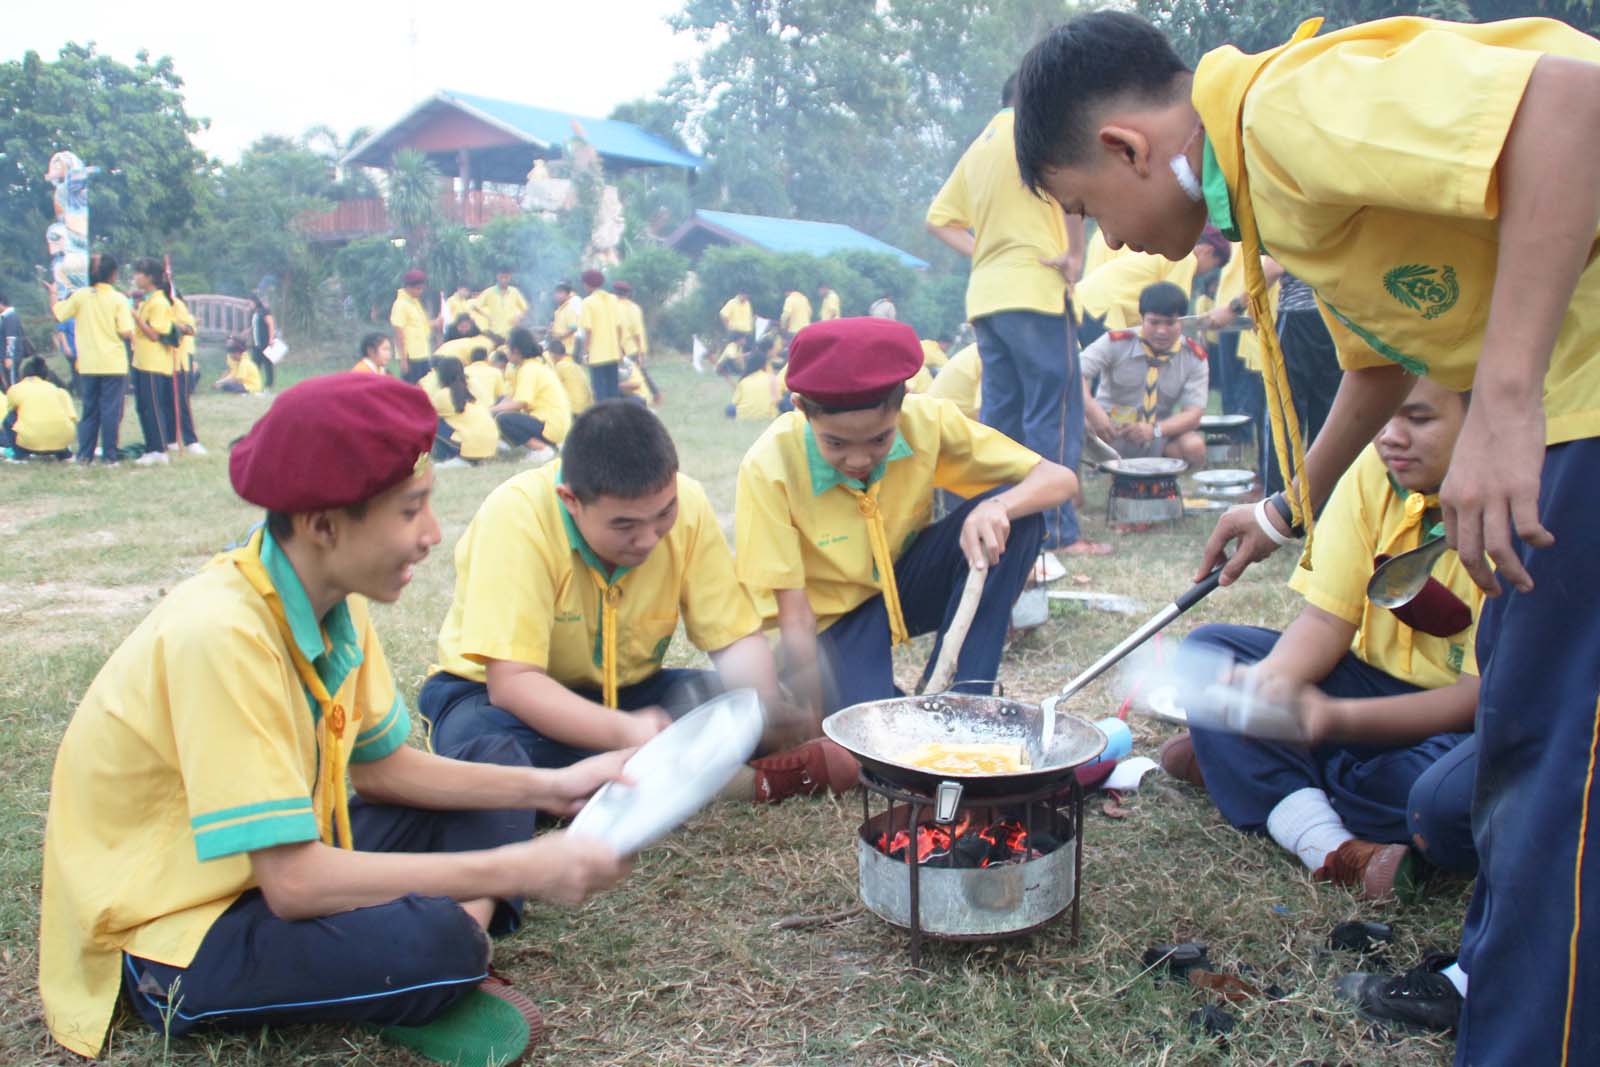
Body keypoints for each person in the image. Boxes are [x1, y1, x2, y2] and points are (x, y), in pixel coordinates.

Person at [1012, 12, 1600, 1063]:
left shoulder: (1280, 114)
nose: (1107, 244)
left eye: (1087, 210)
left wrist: (1505, 399)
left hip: (1578, 396)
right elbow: (1379, 361)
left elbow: (1571, 104)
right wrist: (1285, 508)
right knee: (1525, 735)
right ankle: (1496, 976)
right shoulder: (1266, 190)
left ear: (1125, 148)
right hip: (1566, 404)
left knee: (1556, 763)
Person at [37, 373, 632, 1064]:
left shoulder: (332, 598)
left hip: (274, 863)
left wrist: (555, 787)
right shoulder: (222, 633)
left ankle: (441, 958)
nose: (432, 534)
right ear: (323, 525)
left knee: (499, 765)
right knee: (435, 939)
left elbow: (382, 769)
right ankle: (440, 956)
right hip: (171, 930)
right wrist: (517, 865)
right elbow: (294, 885)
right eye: (410, 511)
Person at [1162, 378, 1479, 902]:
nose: (1390, 436)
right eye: (1382, 416)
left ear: (1483, 418)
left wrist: (1332, 719)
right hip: (1370, 688)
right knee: (1210, 651)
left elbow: (1476, 698)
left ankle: (1255, 770)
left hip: (1464, 723)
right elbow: (1327, 620)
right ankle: (1333, 845)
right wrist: (1269, 683)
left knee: (1435, 802)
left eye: (1419, 418)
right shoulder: (1372, 470)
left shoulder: (1509, 503)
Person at [418, 403, 786, 773]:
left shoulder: (690, 504)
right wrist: (624, 731)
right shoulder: (517, 516)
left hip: (628, 695)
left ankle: (629, 768)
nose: (648, 538)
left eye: (664, 514)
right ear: (571, 501)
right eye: (625, 525)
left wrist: (767, 712)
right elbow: (512, 684)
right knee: (488, 751)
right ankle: (663, 768)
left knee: (741, 704)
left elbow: (734, 640)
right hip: (498, 697)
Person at [734, 318, 1078, 714]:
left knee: (1018, 519)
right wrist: (812, 720)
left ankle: (964, 700)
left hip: (902, 583)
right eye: (836, 443)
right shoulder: (770, 465)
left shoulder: (926, 421)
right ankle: (890, 703)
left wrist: (998, 506)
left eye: (880, 439)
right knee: (865, 726)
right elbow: (795, 617)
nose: (859, 459)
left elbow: (1058, 479)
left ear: (903, 403)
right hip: (830, 620)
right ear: (802, 409)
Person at [926, 72, 1097, 558]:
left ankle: (1000, 522)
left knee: (1000, 421)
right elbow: (1071, 192)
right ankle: (1057, 531)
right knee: (1053, 413)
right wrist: (1075, 255)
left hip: (987, 298)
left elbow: (938, 220)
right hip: (1035, 291)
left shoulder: (979, 146)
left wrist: (987, 253)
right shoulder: (1038, 130)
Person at [1079, 281, 1209, 468]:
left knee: (1193, 445)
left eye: (1170, 323)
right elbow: (1075, 374)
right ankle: (1085, 473)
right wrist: (1093, 411)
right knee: (1074, 420)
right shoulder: (1115, 342)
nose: (1161, 331)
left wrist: (1155, 430)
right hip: (1107, 432)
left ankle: (1171, 481)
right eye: (1154, 322)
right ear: (1142, 319)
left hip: (1157, 437)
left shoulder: (1194, 357)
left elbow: (1193, 413)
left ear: (1181, 321)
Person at [52, 252, 132, 465]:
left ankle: (85, 456)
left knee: (89, 410)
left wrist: (53, 293)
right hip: (113, 364)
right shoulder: (119, 299)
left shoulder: (80, 296)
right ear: (113, 275)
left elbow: (58, 314)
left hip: (87, 364)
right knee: (110, 411)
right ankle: (109, 457)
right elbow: (126, 331)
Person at [492, 329, 571, 464]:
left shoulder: (528, 370)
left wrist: (490, 410)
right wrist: (494, 408)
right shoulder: (531, 365)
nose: (506, 353)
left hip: (550, 425)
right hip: (556, 424)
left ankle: (542, 449)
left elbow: (520, 403)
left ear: (516, 351)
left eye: (508, 349)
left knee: (503, 419)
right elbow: (510, 397)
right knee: (500, 406)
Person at [128, 258, 178, 466]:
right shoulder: (148, 300)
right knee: (143, 407)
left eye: (139, 273)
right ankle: (151, 447)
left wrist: (136, 317)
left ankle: (160, 449)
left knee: (153, 407)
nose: (135, 277)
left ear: (149, 277)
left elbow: (155, 334)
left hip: (154, 363)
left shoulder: (159, 302)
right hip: (141, 361)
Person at [428, 357, 499, 468]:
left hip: (470, 446)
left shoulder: (443, 395)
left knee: (430, 424)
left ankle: (452, 458)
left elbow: (425, 415)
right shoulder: (472, 389)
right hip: (490, 445)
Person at [2, 356, 76, 460]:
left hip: (31, 443)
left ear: (23, 374)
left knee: (9, 418)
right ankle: (64, 454)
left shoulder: (16, 389)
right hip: (61, 441)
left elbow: (10, 409)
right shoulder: (58, 391)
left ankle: (20, 455)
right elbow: (72, 416)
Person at [576, 269, 623, 403]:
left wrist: (585, 352)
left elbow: (588, 330)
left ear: (587, 284)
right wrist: (619, 348)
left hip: (597, 354)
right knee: (613, 388)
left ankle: (603, 414)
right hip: (613, 352)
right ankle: (615, 413)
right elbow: (619, 327)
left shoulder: (588, 302)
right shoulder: (613, 299)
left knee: (599, 390)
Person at [169, 289, 205, 455]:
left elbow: (190, 329)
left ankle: (190, 440)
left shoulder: (179, 309)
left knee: (182, 402)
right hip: (163, 363)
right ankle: (171, 439)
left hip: (180, 361)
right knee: (167, 404)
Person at [613, 281, 661, 405]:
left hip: (620, 348)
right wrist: (641, 350)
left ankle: (637, 396)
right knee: (640, 372)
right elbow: (637, 331)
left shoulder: (613, 307)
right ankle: (655, 394)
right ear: (628, 293)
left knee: (625, 375)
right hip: (633, 346)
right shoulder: (635, 308)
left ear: (615, 292)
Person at [389, 269, 433, 384]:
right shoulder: (400, 304)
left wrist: (436, 323)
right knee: (412, 387)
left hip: (422, 353)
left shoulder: (414, 302)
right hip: (411, 356)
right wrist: (403, 359)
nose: (420, 292)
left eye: (422, 288)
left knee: (425, 385)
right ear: (408, 287)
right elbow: (398, 332)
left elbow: (420, 325)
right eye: (418, 289)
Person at [726, 349, 788, 422]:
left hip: (743, 417)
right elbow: (778, 401)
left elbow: (734, 403)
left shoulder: (744, 381)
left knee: (730, 407)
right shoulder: (772, 378)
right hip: (769, 416)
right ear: (764, 365)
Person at [469, 269, 528, 345]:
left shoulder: (514, 291)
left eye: (506, 277)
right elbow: (475, 307)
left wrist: (519, 317)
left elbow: (525, 308)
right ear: (497, 277)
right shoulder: (489, 292)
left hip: (511, 331)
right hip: (495, 332)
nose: (503, 280)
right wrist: (487, 316)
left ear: (510, 277)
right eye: (501, 277)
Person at [927, 342, 982, 420]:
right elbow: (988, 416)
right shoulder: (988, 355)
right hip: (942, 422)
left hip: (934, 418)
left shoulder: (980, 350)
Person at [546, 338, 593, 415]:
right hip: (588, 407)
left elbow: (552, 388)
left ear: (552, 355)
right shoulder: (574, 364)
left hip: (575, 409)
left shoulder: (560, 366)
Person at [247, 293, 277, 391]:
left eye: (250, 303)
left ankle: (269, 386)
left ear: (255, 302)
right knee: (255, 365)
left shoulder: (264, 311)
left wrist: (271, 339)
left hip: (265, 342)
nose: (249, 305)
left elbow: (271, 324)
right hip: (257, 344)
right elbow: (255, 326)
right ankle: (254, 385)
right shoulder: (255, 313)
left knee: (268, 364)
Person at [0, 290, 24, 391]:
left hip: (11, 357)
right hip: (6, 357)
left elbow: (11, 338)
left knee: (13, 383)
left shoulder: (10, 317)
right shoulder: (5, 317)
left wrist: (9, 357)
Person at [549, 282, 582, 353]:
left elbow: (573, 328)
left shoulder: (569, 309)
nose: (557, 295)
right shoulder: (558, 311)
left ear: (567, 295)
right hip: (558, 349)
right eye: (556, 292)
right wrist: (551, 330)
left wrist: (559, 337)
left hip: (567, 350)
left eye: (560, 292)